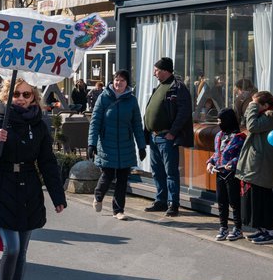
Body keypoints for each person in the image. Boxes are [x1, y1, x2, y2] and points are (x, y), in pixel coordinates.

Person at [0, 78, 66, 280]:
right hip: (2, 186)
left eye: (27, 95)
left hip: (28, 188)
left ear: (34, 97)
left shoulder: (38, 124)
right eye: (16, 93)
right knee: (12, 247)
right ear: (7, 94)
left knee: (23, 251)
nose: (22, 98)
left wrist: (58, 196)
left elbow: (47, 162)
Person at [87, 70, 146, 220]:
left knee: (122, 179)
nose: (118, 83)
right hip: (107, 143)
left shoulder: (131, 100)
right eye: (116, 80)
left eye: (122, 80)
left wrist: (141, 146)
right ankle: (98, 196)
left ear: (127, 83)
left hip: (125, 145)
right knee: (107, 175)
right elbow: (95, 122)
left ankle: (118, 210)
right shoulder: (103, 98)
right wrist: (91, 144)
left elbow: (137, 124)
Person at [143, 57, 193, 217]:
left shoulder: (177, 87)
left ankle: (173, 204)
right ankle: (161, 200)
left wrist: (173, 132)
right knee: (157, 171)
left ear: (165, 70)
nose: (154, 73)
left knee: (171, 172)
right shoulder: (160, 87)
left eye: (156, 70)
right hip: (155, 137)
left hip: (166, 137)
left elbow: (184, 112)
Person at [235, 91, 273, 244]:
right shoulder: (265, 116)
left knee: (263, 199)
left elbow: (251, 126)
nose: (253, 107)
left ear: (266, 105)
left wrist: (251, 104)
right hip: (258, 163)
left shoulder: (271, 117)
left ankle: (270, 232)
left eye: (257, 104)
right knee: (256, 199)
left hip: (262, 165)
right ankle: (262, 230)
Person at [205, 108, 246, 241]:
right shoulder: (219, 135)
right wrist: (210, 162)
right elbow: (217, 153)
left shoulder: (239, 137)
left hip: (232, 173)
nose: (218, 123)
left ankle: (238, 228)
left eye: (220, 120)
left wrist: (232, 164)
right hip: (219, 172)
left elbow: (242, 155)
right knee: (221, 202)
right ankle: (223, 227)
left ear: (227, 120)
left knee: (234, 202)